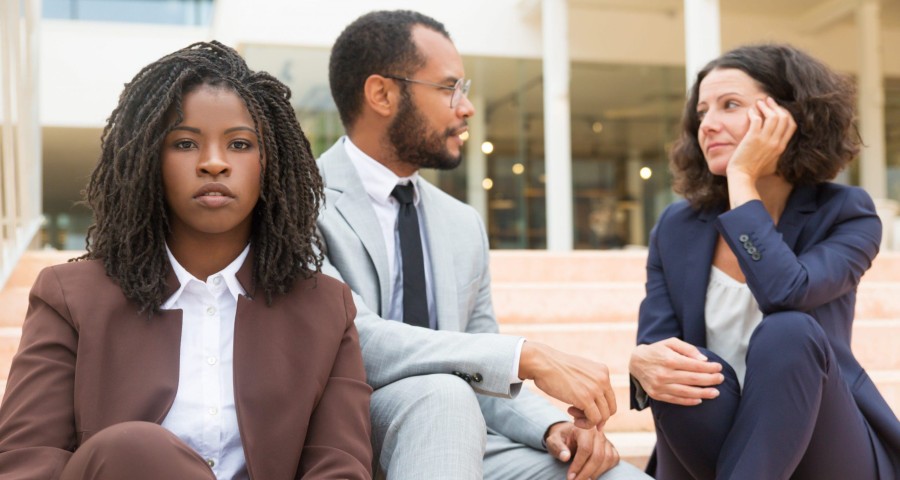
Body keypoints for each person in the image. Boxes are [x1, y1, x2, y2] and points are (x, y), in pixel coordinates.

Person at [0, 41, 372, 479]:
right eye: (184, 144)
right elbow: (28, 459)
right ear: (148, 161)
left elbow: (339, 465)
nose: (214, 163)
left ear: (268, 162)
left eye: (238, 144)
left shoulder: (325, 307)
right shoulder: (70, 297)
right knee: (134, 448)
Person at [317, 9, 650, 480]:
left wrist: (551, 425)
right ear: (382, 93)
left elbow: (481, 373)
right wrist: (524, 355)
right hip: (340, 439)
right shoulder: (299, 202)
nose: (467, 107)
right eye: (450, 87)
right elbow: (353, 340)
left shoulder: (461, 224)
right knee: (443, 395)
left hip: (463, 441)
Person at [628, 43, 900, 479]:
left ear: (788, 117)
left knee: (788, 331)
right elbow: (658, 345)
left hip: (825, 441)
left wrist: (742, 177)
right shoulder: (677, 227)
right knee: (679, 364)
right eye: (702, 112)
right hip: (707, 435)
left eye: (729, 105)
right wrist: (640, 363)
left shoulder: (848, 213)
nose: (708, 125)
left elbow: (785, 292)